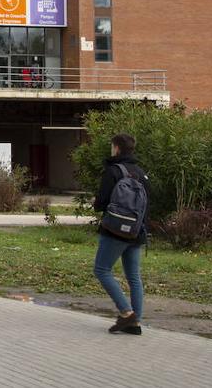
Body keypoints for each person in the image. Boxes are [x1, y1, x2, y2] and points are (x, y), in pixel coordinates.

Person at [93, 133, 151, 336]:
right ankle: (135, 323)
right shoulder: (141, 173)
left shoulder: (113, 171)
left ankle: (127, 313)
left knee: (101, 270)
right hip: (136, 231)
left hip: (115, 231)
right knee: (134, 277)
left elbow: (100, 203)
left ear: (116, 148)